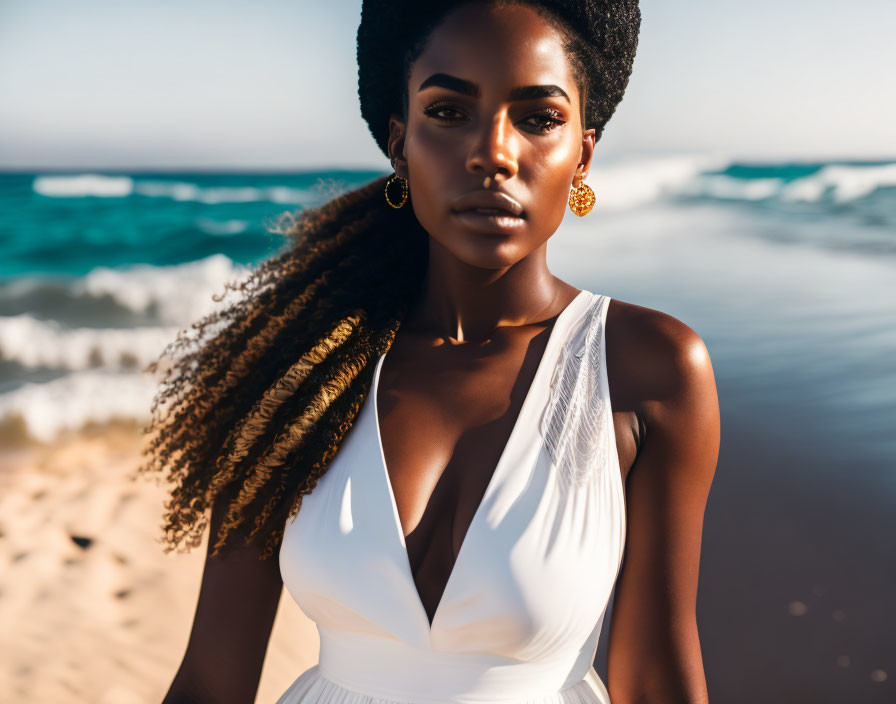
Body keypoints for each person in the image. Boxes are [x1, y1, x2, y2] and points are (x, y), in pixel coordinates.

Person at [148, 1, 719, 702]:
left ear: (583, 154)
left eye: (538, 118)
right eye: (449, 113)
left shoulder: (648, 368)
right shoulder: (298, 367)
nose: (494, 153)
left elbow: (656, 678)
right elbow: (210, 682)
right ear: (400, 142)